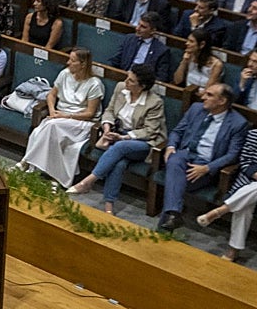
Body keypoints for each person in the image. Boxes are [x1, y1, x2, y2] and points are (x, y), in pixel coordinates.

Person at [68, 65, 167, 215]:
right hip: (117, 136)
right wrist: (107, 128)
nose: (126, 82)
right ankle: (109, 207)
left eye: (131, 80)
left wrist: (124, 137)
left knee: (120, 147)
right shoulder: (120, 87)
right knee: (119, 163)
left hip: (142, 143)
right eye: (127, 77)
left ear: (142, 86)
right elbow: (109, 111)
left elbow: (150, 131)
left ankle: (88, 181)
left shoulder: (154, 102)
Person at [158, 84, 248, 232]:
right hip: (184, 156)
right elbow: (177, 131)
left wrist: (207, 168)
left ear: (222, 101)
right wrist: (171, 146)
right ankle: (173, 214)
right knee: (174, 159)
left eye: (209, 95)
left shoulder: (238, 123)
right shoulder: (196, 109)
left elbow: (232, 155)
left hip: (206, 164)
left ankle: (168, 221)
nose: (203, 97)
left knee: (174, 185)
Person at [13, 48, 104, 187]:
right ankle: (52, 175)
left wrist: (65, 115)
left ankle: (27, 162)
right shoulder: (64, 74)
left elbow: (90, 113)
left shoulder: (94, 84)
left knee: (50, 126)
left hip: (81, 122)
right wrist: (52, 111)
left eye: (72, 61)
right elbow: (51, 95)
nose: (68, 63)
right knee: (41, 131)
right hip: (59, 117)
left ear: (83, 64)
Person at [196, 132, 257, 261]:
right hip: (249, 183)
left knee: (246, 199)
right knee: (245, 206)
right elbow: (245, 162)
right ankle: (234, 249)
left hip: (249, 191)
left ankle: (221, 210)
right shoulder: (254, 135)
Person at [109, 12, 173, 81]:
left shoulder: (161, 50)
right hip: (124, 78)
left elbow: (161, 77)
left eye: (143, 27)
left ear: (152, 31)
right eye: (138, 24)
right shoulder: (129, 39)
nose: (137, 28)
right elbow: (114, 61)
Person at [173, 29, 224, 96]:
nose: (187, 43)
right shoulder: (189, 57)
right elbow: (177, 80)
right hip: (187, 93)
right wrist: (184, 61)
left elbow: (208, 90)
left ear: (202, 44)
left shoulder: (217, 64)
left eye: (191, 41)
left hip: (203, 98)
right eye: (187, 40)